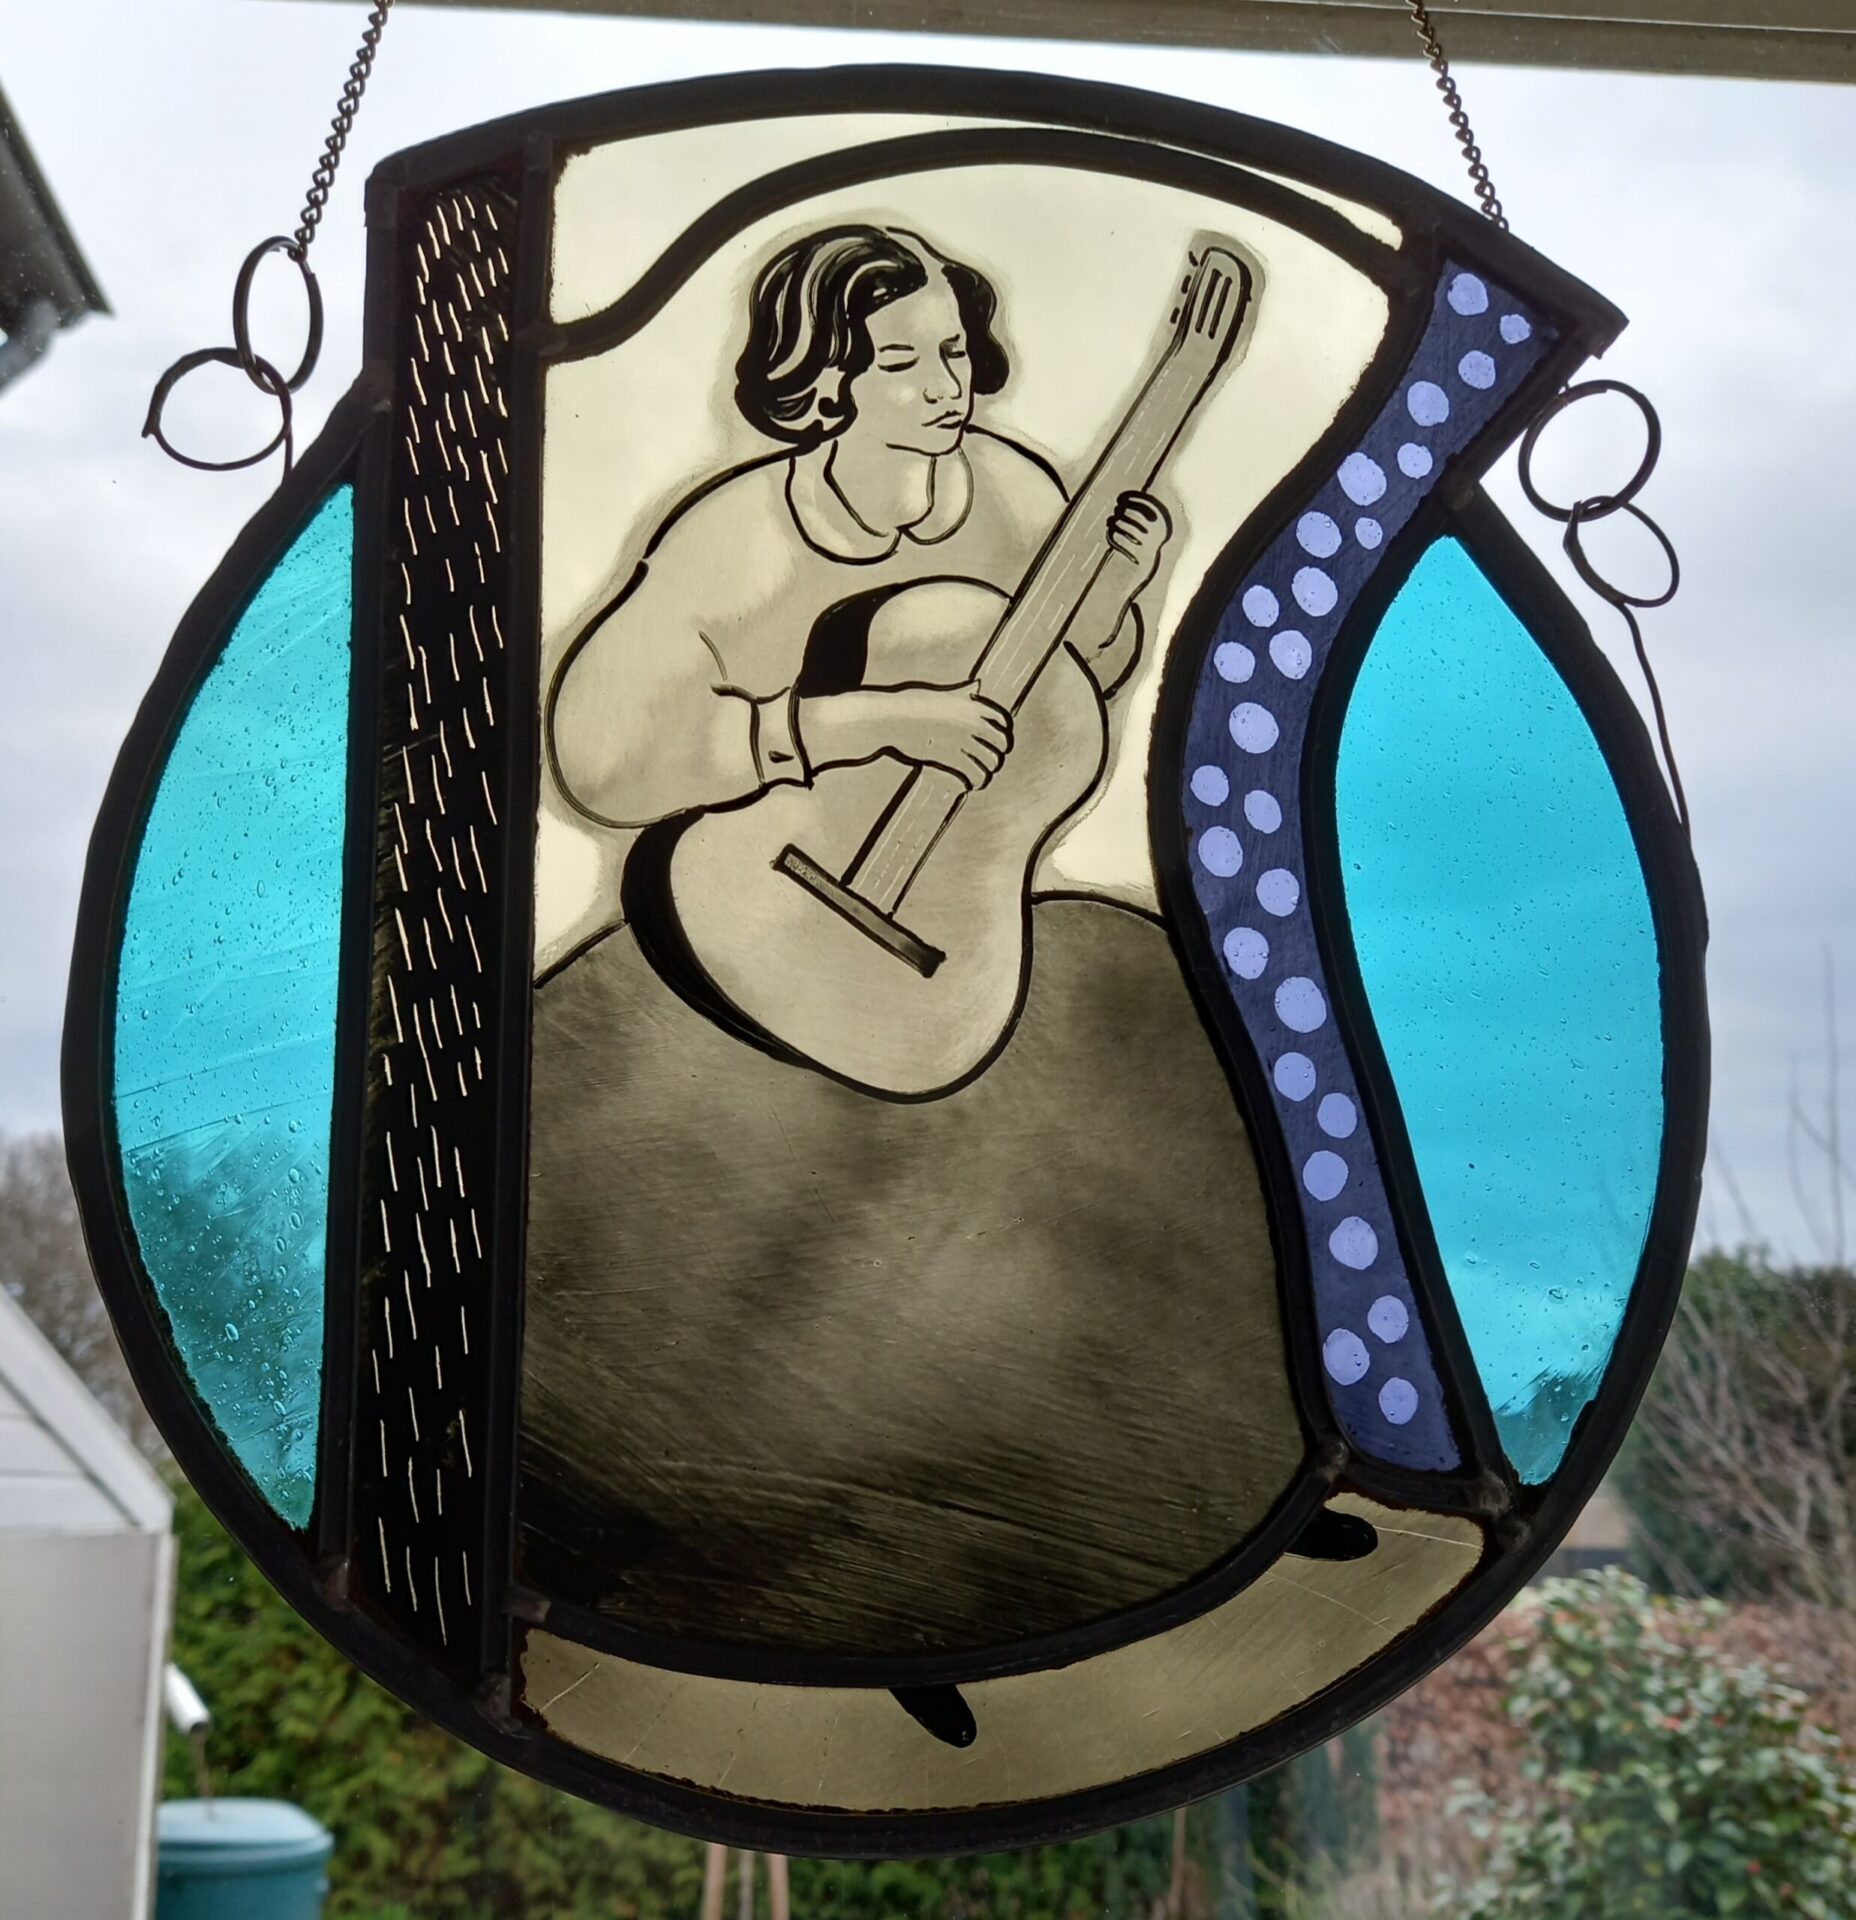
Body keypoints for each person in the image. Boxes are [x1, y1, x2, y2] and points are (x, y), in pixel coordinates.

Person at [546, 222, 1170, 831]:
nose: (945, 388)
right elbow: (599, 761)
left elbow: (1070, 682)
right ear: (824, 378)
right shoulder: (738, 537)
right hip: (772, 870)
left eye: (953, 352)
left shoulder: (1015, 492)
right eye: (900, 363)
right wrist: (871, 725)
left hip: (959, 869)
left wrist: (1111, 592)